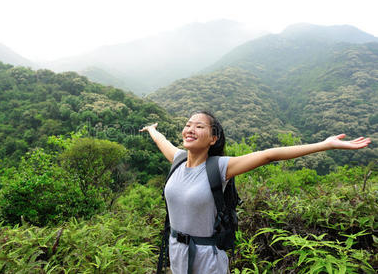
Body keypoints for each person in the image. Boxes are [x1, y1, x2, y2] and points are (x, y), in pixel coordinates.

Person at [139, 111, 371, 274]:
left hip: (206, 257)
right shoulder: (178, 159)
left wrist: (325, 144)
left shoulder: (220, 167)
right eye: (188, 124)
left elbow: (269, 155)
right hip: (176, 250)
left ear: (213, 138)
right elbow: (162, 141)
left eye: (199, 126)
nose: (190, 129)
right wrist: (152, 130)